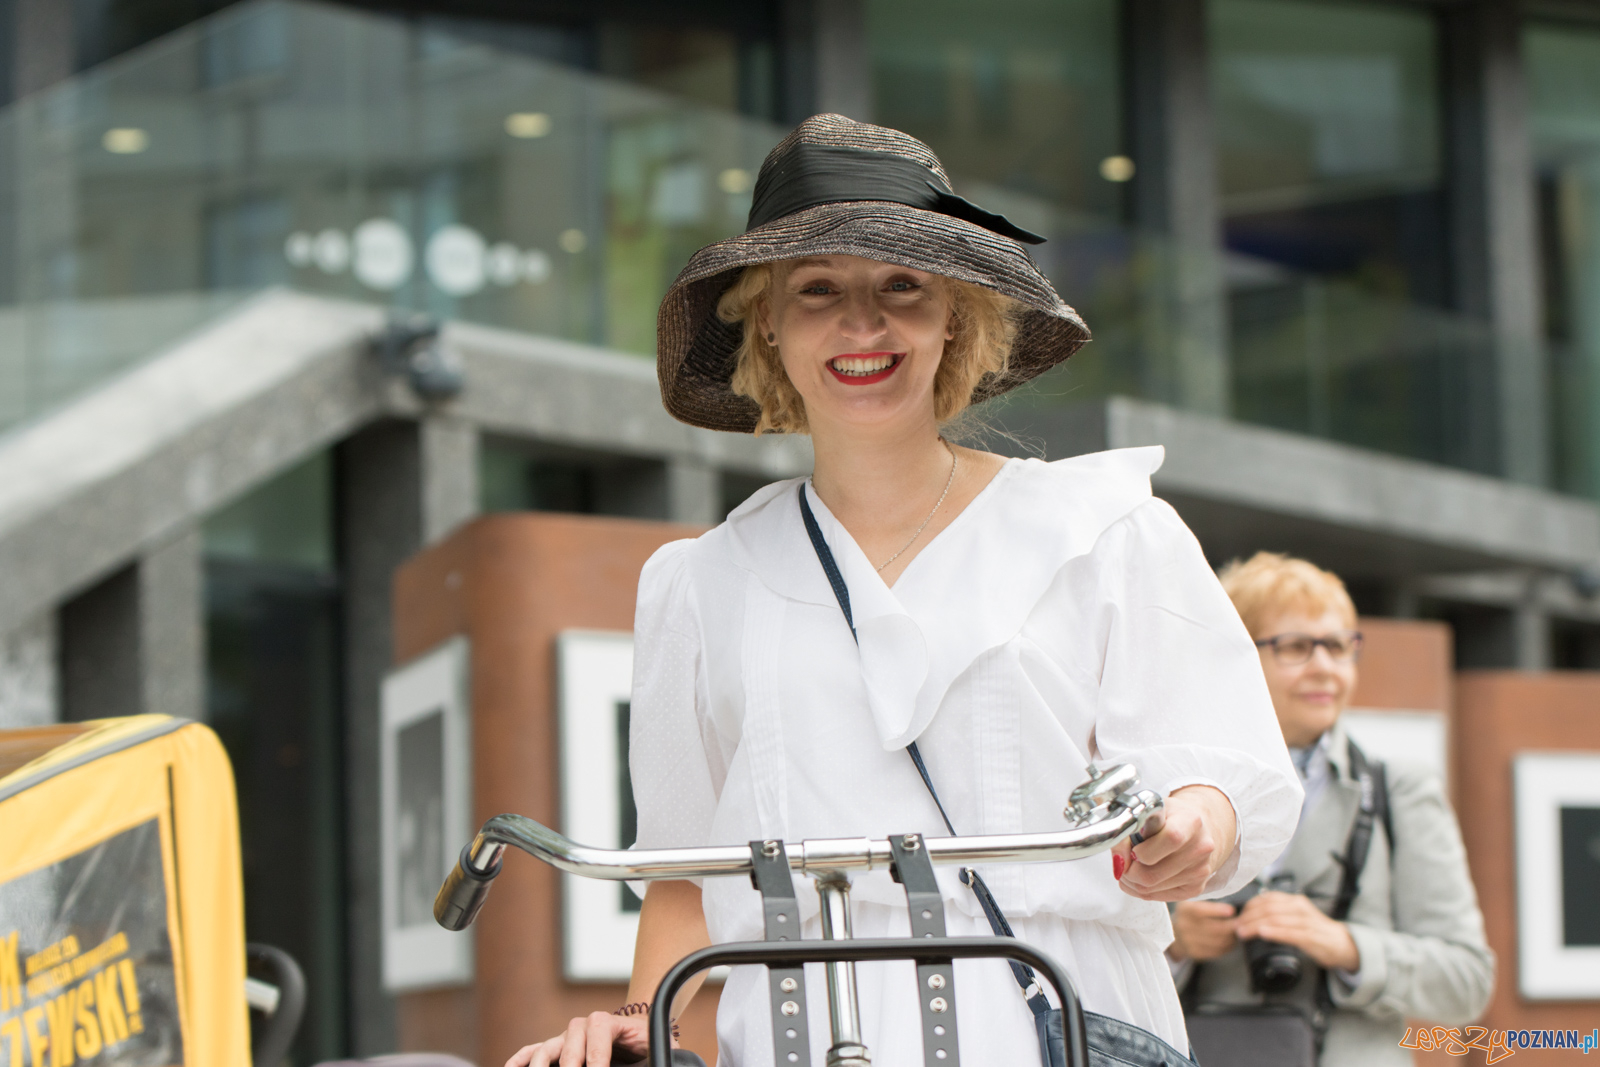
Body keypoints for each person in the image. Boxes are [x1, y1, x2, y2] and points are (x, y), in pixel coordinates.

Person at [510, 114, 1301, 1067]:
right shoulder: (702, 582)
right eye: (817, 290)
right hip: (803, 1035)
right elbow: (685, 873)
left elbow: (1214, 771)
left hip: (1052, 1018)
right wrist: (644, 1030)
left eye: (902, 285)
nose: (862, 324)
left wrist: (1192, 827)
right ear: (765, 318)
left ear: (953, 313)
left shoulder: (1101, 529)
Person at [1170, 552, 1494, 1065]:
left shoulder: (1401, 790)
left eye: (1339, 646)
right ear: (1236, 656)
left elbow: (1467, 984)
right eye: (1296, 647)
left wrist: (1343, 945)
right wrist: (1174, 941)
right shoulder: (1171, 787)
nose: (1325, 666)